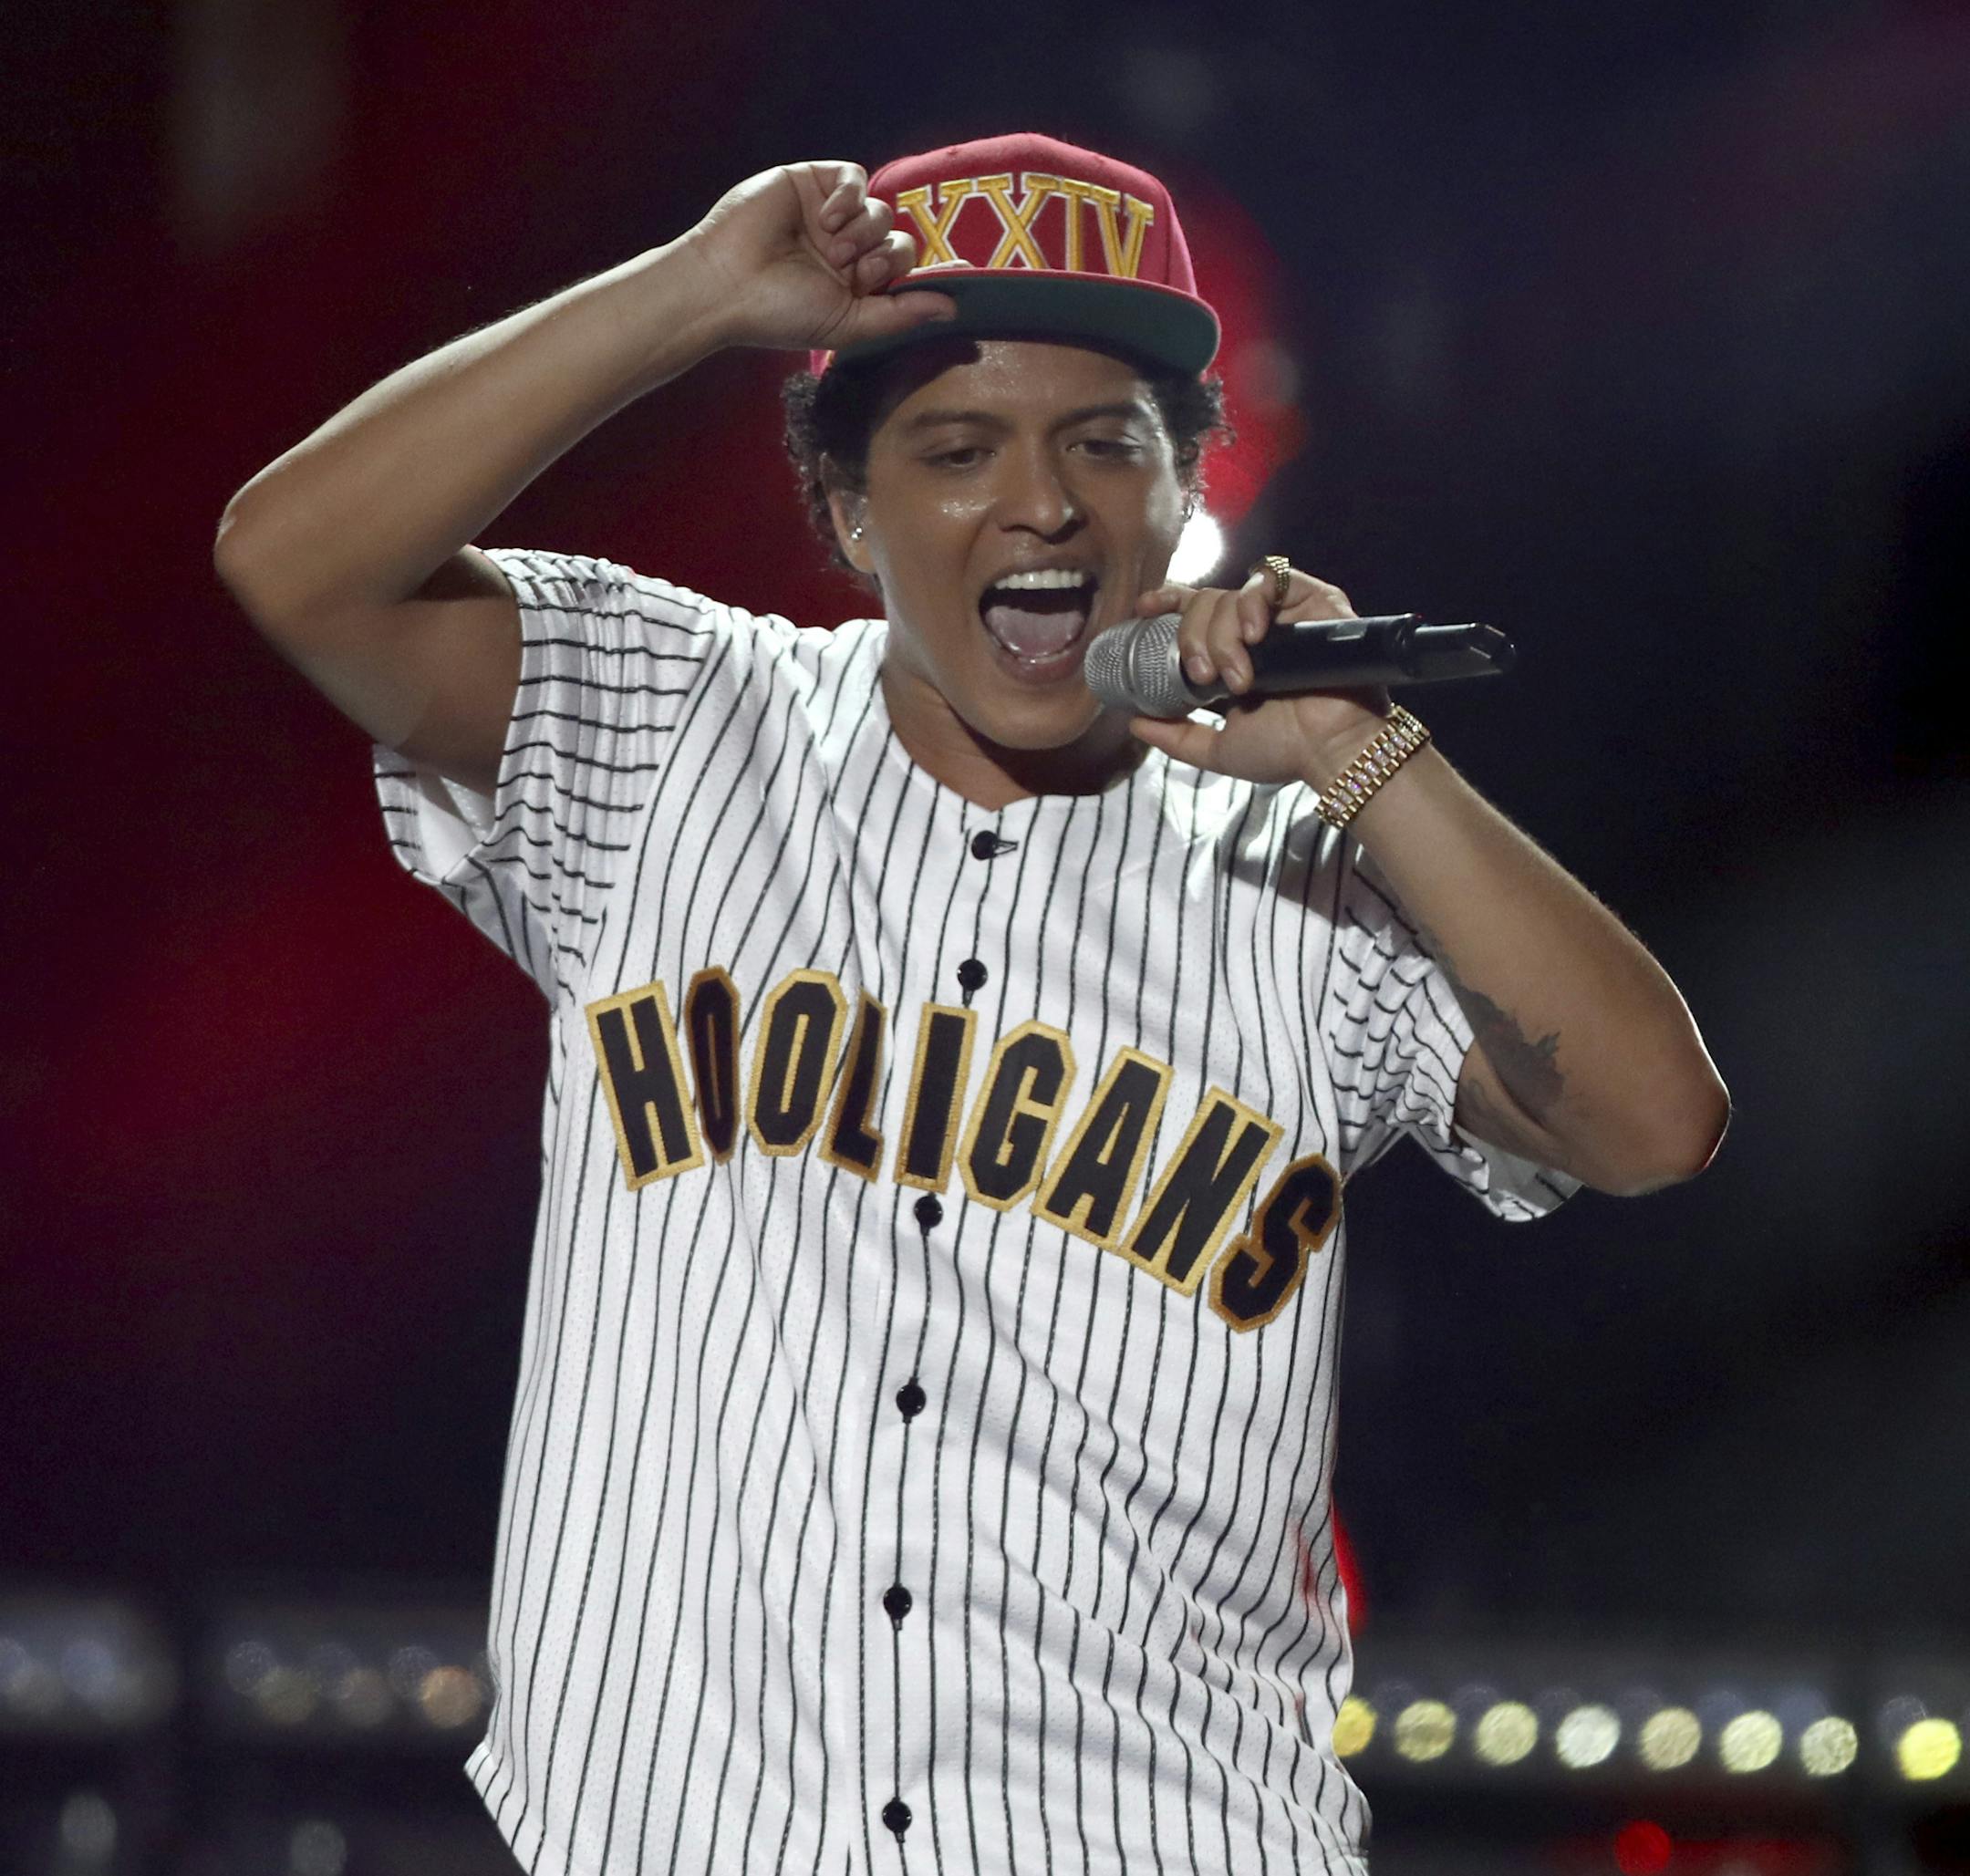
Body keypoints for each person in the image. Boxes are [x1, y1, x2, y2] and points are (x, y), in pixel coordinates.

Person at [215, 131, 1727, 1876]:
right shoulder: (676, 725)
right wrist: (695, 291)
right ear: (847, 509)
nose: (1042, 501)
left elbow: (1656, 1122)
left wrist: (1362, 752)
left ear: (1184, 490)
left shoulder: (1309, 859)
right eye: (955, 447)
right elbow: (292, 561)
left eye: (1107, 442)